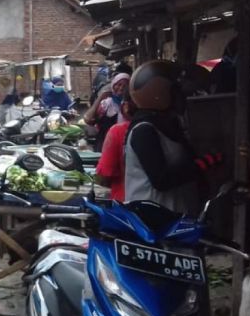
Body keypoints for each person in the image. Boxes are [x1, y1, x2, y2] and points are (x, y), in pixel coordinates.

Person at [125, 60, 223, 213]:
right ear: (159, 93)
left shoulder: (167, 125)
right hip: (153, 223)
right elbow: (161, 180)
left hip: (174, 218)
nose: (181, 98)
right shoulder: (144, 131)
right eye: (176, 92)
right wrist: (201, 164)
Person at [94, 91, 133, 202]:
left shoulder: (118, 131)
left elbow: (103, 178)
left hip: (126, 205)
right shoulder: (176, 129)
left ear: (126, 106)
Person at [85, 72, 130, 151]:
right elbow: (88, 119)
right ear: (113, 85)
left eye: (125, 86)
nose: (121, 88)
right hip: (105, 145)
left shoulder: (130, 105)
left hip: (123, 145)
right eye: (118, 84)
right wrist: (100, 98)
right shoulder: (106, 103)